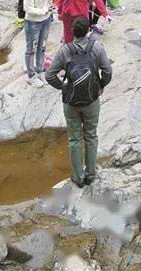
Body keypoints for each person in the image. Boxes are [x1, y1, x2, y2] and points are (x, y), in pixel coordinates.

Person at [46, 15, 112, 187]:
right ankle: (91, 174)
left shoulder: (64, 50)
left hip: (71, 102)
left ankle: (77, 177)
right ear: (89, 30)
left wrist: (63, 87)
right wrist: (100, 86)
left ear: (72, 32)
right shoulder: (97, 48)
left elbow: (49, 75)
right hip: (91, 100)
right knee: (91, 136)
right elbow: (108, 71)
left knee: (74, 139)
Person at [22, 0, 54, 86]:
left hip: (45, 21)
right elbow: (28, 8)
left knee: (42, 47)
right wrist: (44, 10)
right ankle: (31, 75)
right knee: (31, 50)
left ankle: (40, 71)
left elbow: (48, 2)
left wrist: (50, 8)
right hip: (33, 23)